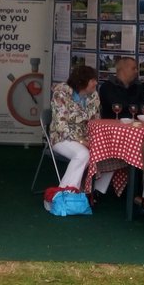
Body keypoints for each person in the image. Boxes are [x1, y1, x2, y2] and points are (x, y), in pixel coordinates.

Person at [48, 65, 112, 193]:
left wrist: (95, 140)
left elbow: (95, 121)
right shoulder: (61, 94)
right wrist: (82, 141)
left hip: (85, 137)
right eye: (93, 80)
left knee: (110, 150)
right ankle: (66, 194)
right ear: (82, 81)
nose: (96, 82)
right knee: (82, 154)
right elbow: (61, 125)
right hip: (62, 137)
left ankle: (92, 191)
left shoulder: (93, 96)